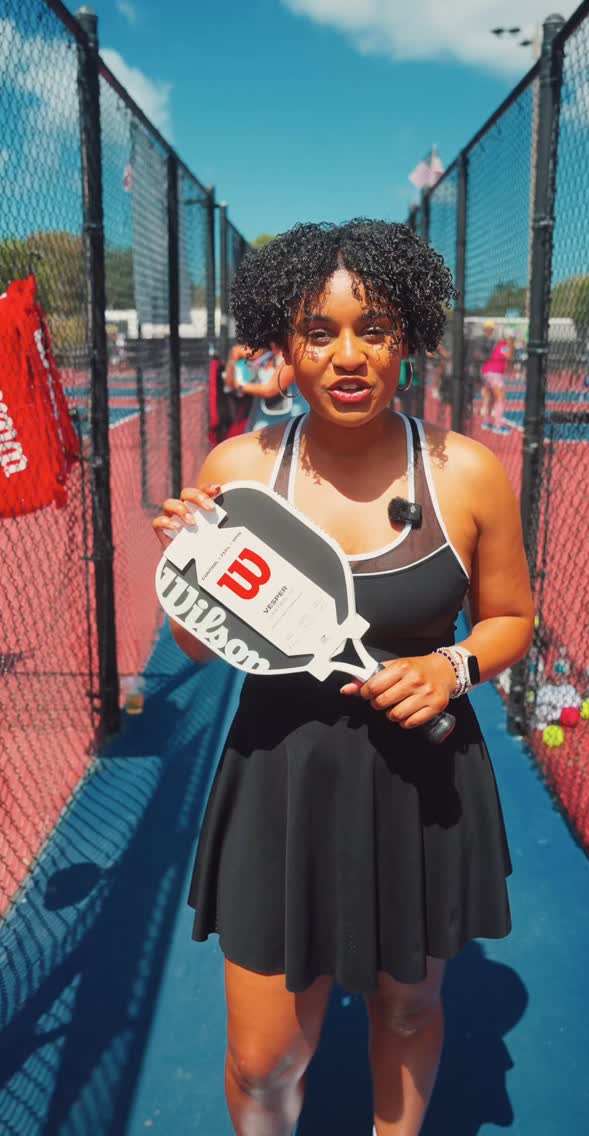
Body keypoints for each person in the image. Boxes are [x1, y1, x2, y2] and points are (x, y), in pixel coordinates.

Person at [152, 220, 534, 1136]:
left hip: (422, 782)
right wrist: (187, 569)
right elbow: (196, 646)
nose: (349, 356)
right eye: (318, 333)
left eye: (375, 329)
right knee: (264, 1062)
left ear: (410, 337)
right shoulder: (240, 470)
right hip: (279, 779)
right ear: (282, 347)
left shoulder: (466, 473)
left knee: (407, 1011)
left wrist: (451, 667)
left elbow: (512, 619)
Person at [480, 330, 515, 432]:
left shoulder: (499, 344)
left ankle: (486, 422)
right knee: (500, 398)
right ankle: (498, 425)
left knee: (489, 397)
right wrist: (512, 347)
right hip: (495, 373)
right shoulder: (505, 346)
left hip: (487, 372)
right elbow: (509, 356)